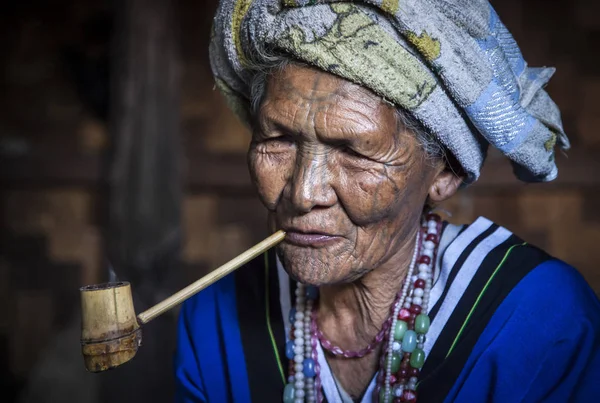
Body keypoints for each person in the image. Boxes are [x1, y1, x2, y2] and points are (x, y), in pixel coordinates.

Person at [174, 1, 600, 402]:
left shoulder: (539, 320)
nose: (303, 194)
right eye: (279, 139)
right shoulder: (212, 320)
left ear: (445, 172)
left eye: (355, 152)